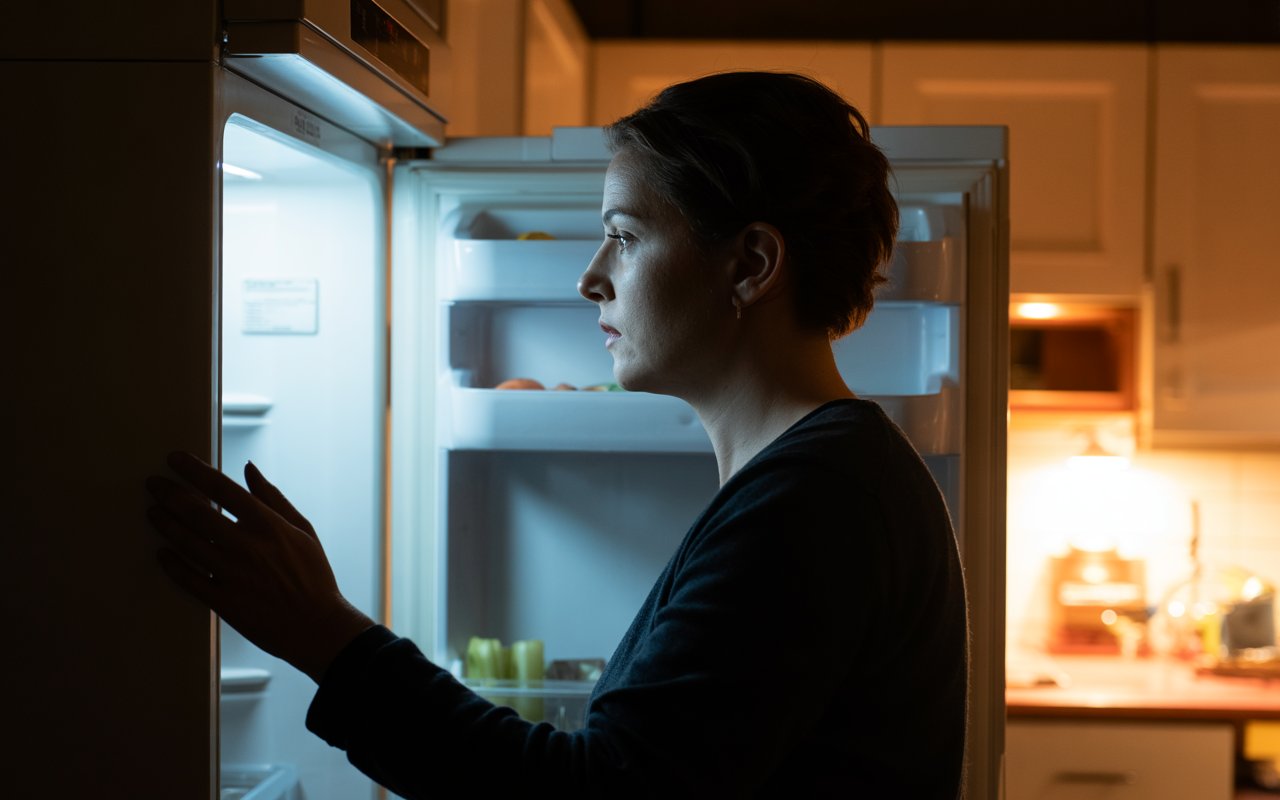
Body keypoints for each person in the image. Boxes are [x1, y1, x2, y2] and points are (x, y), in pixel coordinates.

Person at [146, 71, 969, 797]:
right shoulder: (822, 479)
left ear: (750, 264)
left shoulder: (813, 504)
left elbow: (599, 793)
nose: (590, 278)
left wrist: (323, 633)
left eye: (625, 236)